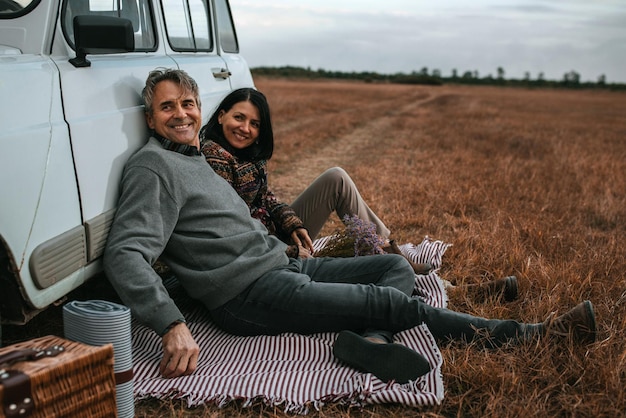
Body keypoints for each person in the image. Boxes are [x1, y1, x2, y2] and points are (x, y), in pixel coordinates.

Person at [103, 68, 597, 383]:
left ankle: (372, 342)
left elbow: (257, 206)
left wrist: (290, 240)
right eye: (167, 107)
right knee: (388, 300)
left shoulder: (194, 158)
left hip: (282, 267)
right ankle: (533, 335)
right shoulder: (154, 168)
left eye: (187, 104)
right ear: (150, 117)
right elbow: (125, 253)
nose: (181, 114)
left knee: (390, 267)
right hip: (247, 296)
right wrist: (170, 324)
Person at [199, 87, 517, 300]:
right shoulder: (215, 158)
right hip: (261, 255)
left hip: (276, 238)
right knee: (359, 268)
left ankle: (390, 250)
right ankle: (453, 292)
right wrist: (291, 252)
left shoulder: (243, 155)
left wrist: (294, 224)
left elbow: (266, 199)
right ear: (222, 114)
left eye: (254, 123)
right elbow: (236, 228)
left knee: (336, 177)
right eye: (239, 118)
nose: (245, 128)